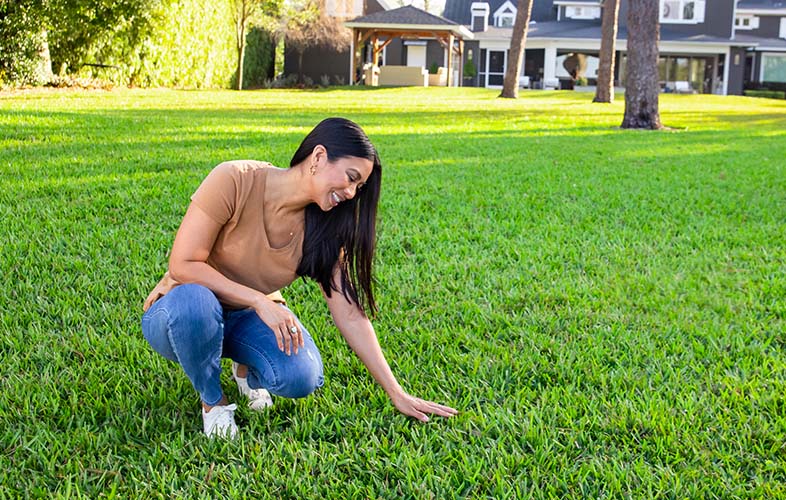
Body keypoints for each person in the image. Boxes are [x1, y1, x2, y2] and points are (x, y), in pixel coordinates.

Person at [141, 118, 457, 438]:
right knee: (196, 303)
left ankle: (245, 368)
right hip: (180, 311)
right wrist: (257, 299)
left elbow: (349, 313)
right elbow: (183, 263)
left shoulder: (326, 230)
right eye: (350, 178)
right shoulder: (234, 178)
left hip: (244, 320)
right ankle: (213, 402)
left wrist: (396, 392)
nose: (350, 193)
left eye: (358, 188)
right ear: (318, 157)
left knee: (301, 376)